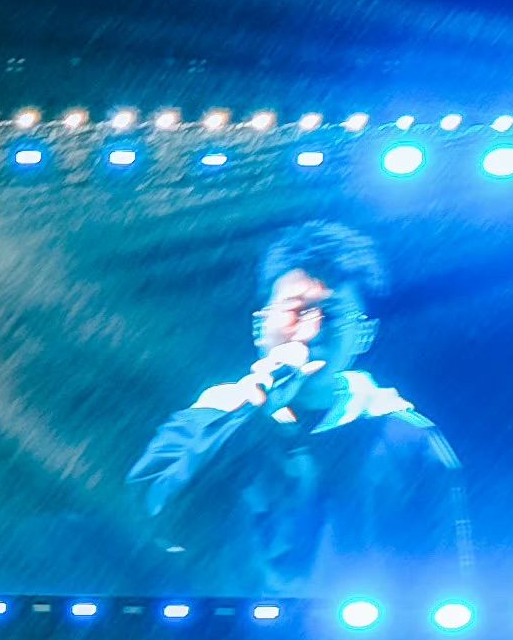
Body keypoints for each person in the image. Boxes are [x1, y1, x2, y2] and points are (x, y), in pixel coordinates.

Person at [126, 220, 472, 593]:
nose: (311, 332)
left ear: (364, 335)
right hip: (228, 627)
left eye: (332, 314)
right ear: (259, 326)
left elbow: (446, 577)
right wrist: (250, 417)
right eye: (295, 311)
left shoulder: (406, 437)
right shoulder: (211, 418)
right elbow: (156, 518)